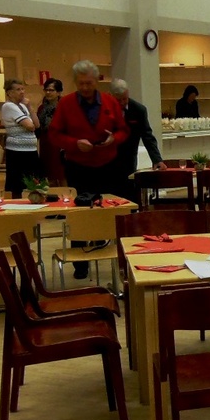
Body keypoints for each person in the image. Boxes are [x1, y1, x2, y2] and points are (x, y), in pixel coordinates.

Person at [48, 60, 130, 277]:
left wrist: (114, 139)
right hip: (78, 165)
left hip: (107, 164)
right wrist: (75, 143)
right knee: (80, 213)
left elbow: (123, 130)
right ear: (75, 82)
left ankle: (112, 254)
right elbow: (54, 134)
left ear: (97, 81)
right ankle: (80, 263)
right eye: (81, 83)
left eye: (89, 83)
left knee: (109, 210)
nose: (85, 87)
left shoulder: (110, 102)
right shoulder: (66, 104)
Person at [108, 77, 165, 201]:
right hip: (107, 161)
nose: (122, 102)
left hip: (129, 160)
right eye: (118, 100)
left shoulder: (139, 110)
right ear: (111, 96)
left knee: (129, 196)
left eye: (125, 99)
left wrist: (157, 159)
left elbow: (147, 136)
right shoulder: (104, 110)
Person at [0, 78, 42, 199]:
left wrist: (29, 107)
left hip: (30, 150)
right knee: (17, 184)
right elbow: (30, 126)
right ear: (9, 93)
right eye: (18, 89)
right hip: (17, 151)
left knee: (34, 182)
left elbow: (37, 125)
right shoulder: (9, 106)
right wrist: (31, 124)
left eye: (23, 89)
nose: (22, 92)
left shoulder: (22, 106)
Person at [35, 77, 65, 185]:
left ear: (59, 92)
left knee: (62, 174)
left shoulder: (64, 106)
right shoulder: (41, 108)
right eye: (46, 90)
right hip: (45, 142)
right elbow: (38, 126)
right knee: (48, 174)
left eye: (51, 90)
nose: (48, 92)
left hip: (60, 144)